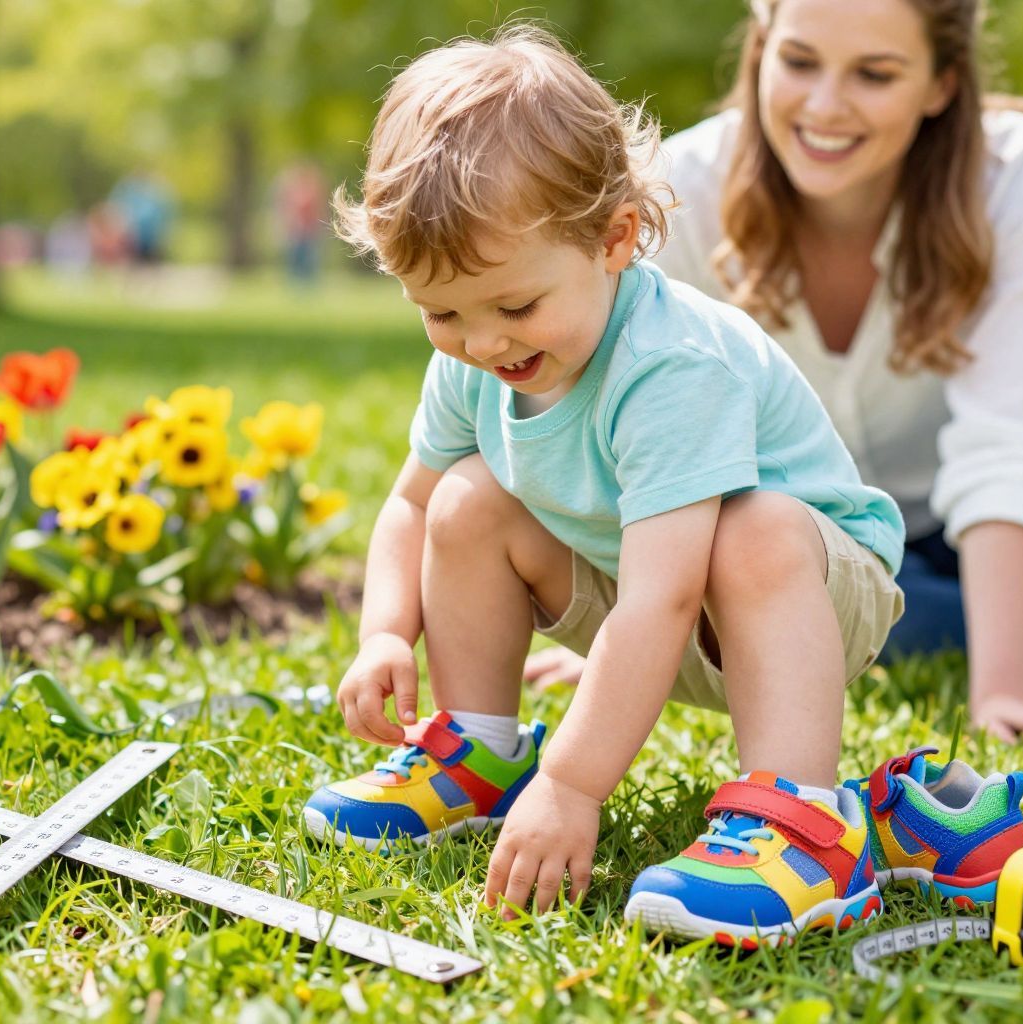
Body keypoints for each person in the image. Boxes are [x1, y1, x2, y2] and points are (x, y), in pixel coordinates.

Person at [302, 28, 907, 941]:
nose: (484, 341)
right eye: (442, 312)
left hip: (803, 597)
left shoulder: (669, 368)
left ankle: (800, 825)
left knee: (752, 529)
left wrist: (576, 786)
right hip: (640, 583)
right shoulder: (478, 353)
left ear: (616, 238)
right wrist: (384, 631)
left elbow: (665, 600)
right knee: (468, 496)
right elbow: (413, 504)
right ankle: (480, 757)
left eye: (515, 306)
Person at [527, 0, 1023, 755]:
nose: (824, 106)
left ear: (942, 84)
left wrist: (1002, 694)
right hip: (832, 517)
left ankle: (1021, 611)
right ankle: (997, 610)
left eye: (875, 74)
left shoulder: (1020, 170)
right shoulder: (677, 185)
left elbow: (1004, 442)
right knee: (811, 618)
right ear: (761, 47)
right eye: (799, 61)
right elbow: (636, 410)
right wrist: (638, 625)